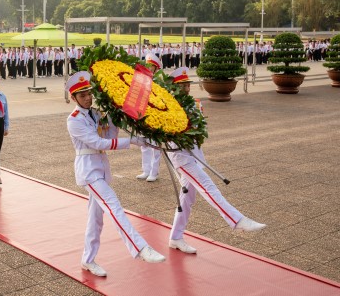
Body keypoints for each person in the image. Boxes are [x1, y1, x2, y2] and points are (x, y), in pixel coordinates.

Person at [66, 71, 166, 277]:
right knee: (114, 205)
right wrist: (131, 141)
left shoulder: (96, 113)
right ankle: (139, 247)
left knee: (96, 219)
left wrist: (114, 116)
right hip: (89, 170)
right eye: (82, 95)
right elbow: (98, 143)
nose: (87, 98)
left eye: (89, 93)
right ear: (73, 98)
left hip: (101, 167)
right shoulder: (74, 120)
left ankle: (88, 260)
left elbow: (109, 136)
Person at [163, 67, 266, 254]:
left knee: (187, 199)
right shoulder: (166, 107)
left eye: (187, 84)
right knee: (208, 187)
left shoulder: (193, 104)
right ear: (173, 88)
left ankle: (176, 237)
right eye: (182, 85)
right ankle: (237, 220)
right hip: (180, 156)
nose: (186, 88)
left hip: (195, 154)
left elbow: (200, 128)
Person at [136, 53, 163, 182]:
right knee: (144, 144)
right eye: (147, 65)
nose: (148, 67)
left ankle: (154, 171)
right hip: (142, 115)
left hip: (155, 116)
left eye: (151, 66)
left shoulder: (159, 81)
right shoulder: (142, 78)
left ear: (156, 68)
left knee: (155, 145)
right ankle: (146, 170)